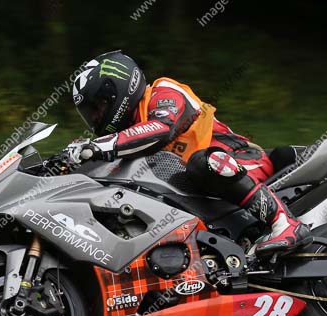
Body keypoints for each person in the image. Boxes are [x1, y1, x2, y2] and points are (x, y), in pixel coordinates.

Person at [68, 50, 310, 257]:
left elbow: (161, 129)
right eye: (90, 113)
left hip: (240, 163)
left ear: (117, 91)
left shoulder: (162, 92)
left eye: (97, 108)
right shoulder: (127, 137)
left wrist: (99, 146)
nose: (96, 118)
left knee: (202, 162)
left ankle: (284, 224)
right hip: (201, 191)